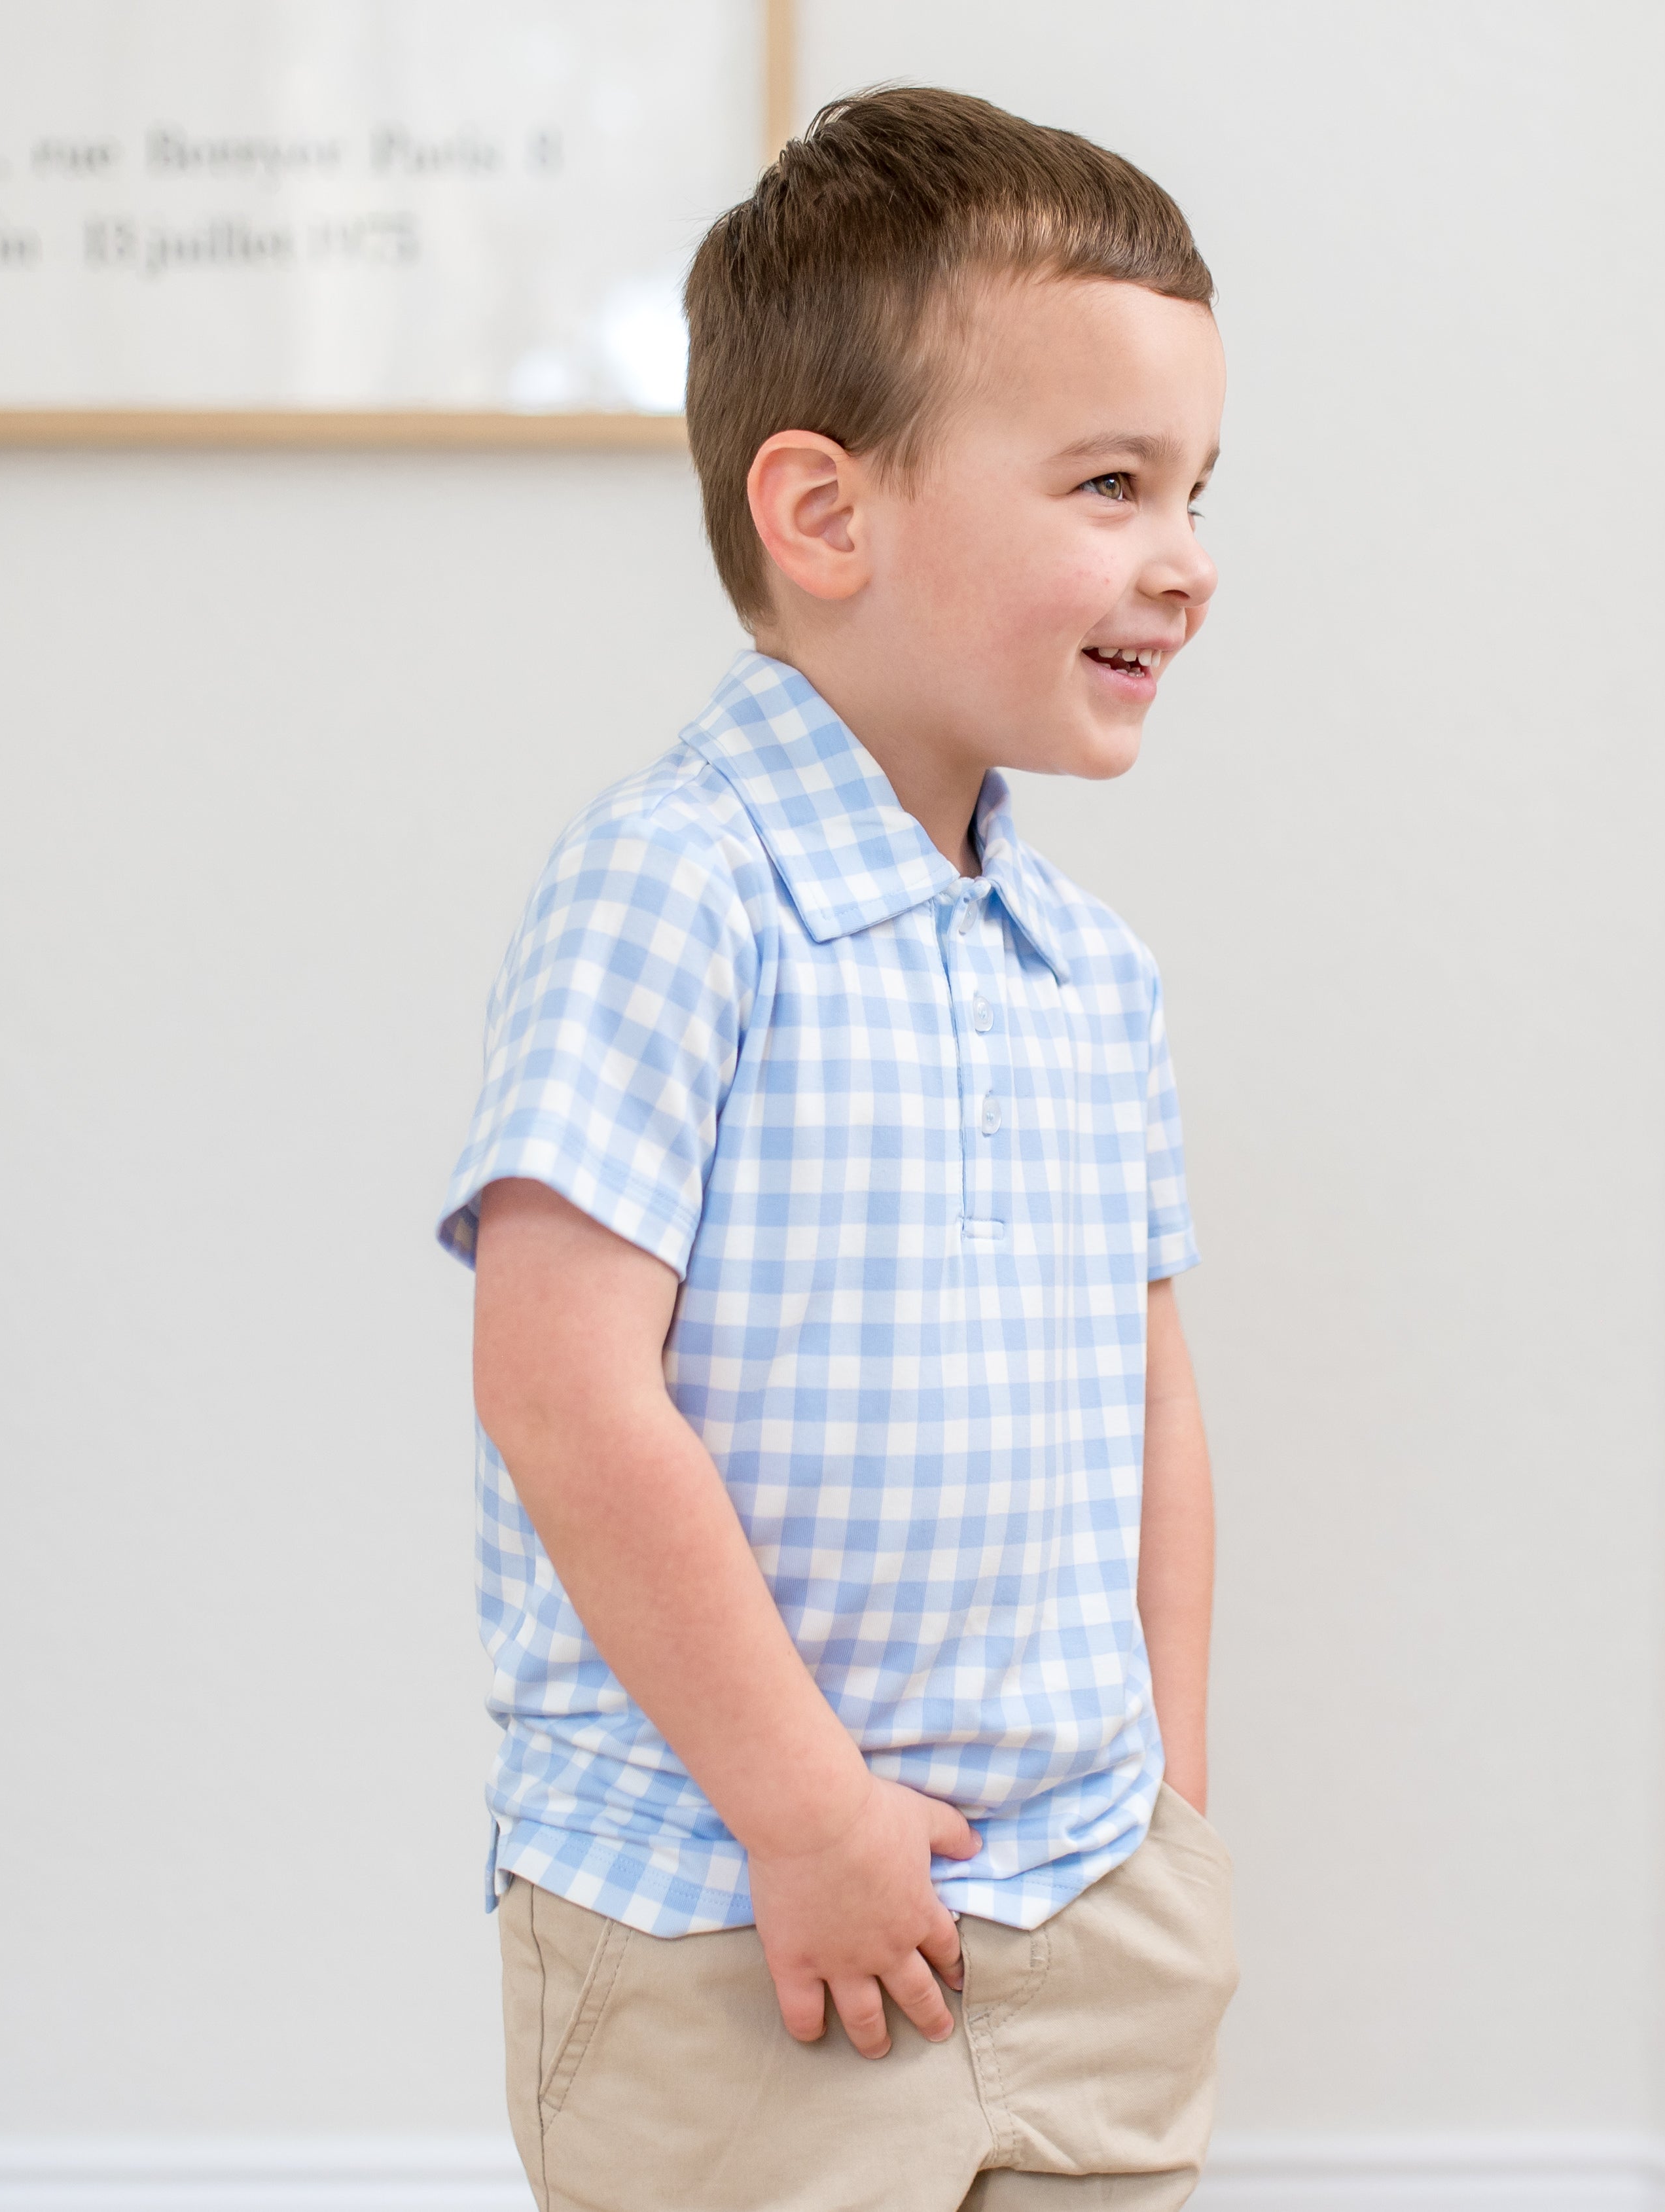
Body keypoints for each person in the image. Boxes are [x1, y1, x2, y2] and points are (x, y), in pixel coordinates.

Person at [439, 84, 1234, 2212]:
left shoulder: (1092, 973)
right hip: (727, 1919)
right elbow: (559, 1385)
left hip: (1084, 1901)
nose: (1183, 555)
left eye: (1194, 488)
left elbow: (1150, 1399)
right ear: (821, 510)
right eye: (1109, 483)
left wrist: (1168, 1802)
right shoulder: (674, 888)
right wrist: (804, 1815)